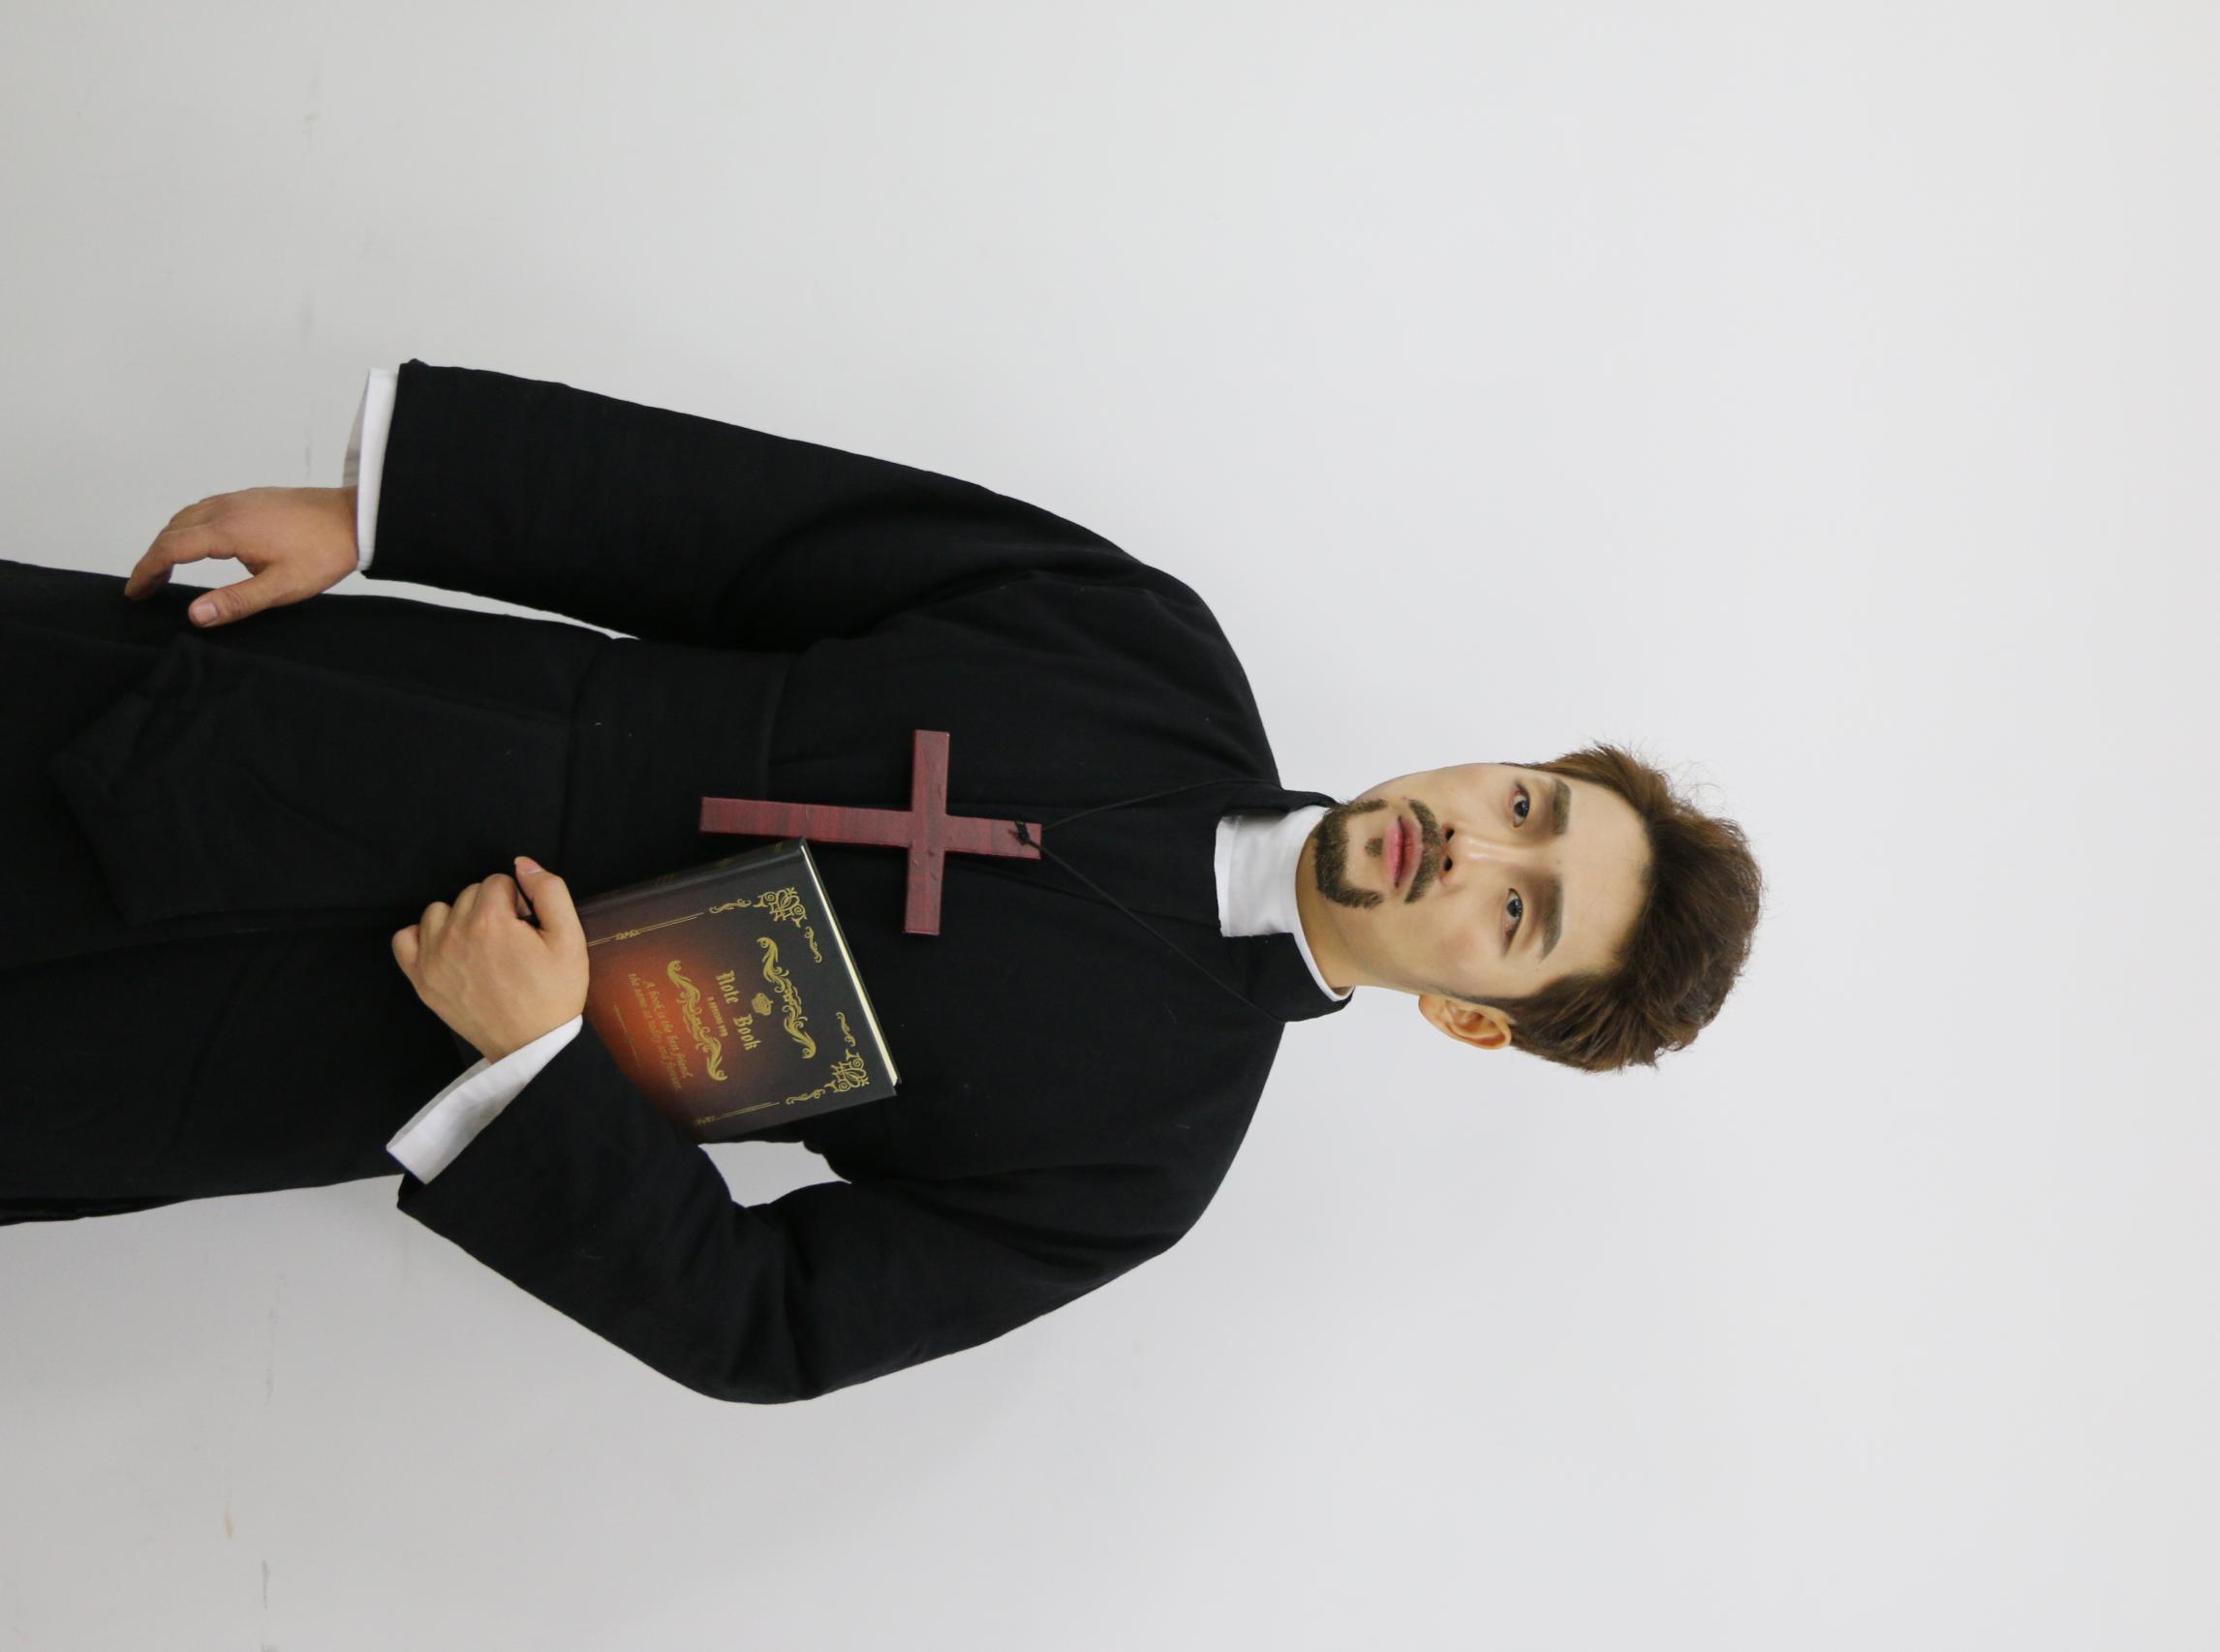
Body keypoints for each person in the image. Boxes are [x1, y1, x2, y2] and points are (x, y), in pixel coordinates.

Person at [0, 359, 1764, 1402]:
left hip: (307, 1045)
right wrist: (389, 513)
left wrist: (534, 1063)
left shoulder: (1134, 1162)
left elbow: (769, 1321)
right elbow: (748, 526)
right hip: (342, 722)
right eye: (1525, 802)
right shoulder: (1144, 648)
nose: (1473, 842)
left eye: (1518, 910)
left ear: (1473, 1016)